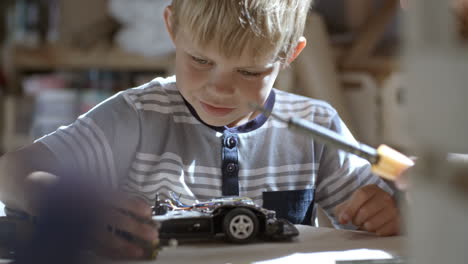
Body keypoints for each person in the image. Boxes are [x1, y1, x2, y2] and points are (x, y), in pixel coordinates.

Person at [0, 0, 400, 260]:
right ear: (172, 27)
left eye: (249, 71)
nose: (221, 87)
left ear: (289, 54)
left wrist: (388, 211)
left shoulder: (315, 126)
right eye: (199, 60)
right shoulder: (138, 116)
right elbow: (11, 172)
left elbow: (373, 216)